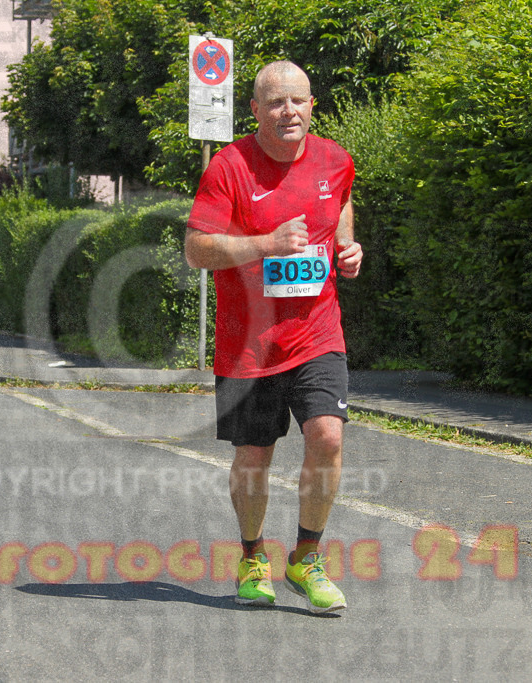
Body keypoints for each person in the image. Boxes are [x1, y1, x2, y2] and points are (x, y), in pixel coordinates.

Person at [185, 61, 363, 614]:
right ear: (256, 111)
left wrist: (348, 249)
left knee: (328, 437)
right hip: (250, 343)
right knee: (254, 456)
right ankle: (253, 556)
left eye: (298, 101)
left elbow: (342, 205)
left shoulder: (335, 159)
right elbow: (197, 249)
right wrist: (264, 244)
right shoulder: (230, 166)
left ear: (313, 105)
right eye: (276, 102)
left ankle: (306, 558)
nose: (289, 111)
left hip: (317, 332)